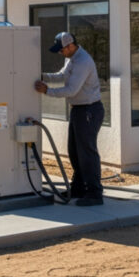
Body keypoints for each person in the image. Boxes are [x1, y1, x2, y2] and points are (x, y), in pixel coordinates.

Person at [34, 31, 104, 206]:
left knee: (87, 152)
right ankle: (79, 188)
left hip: (89, 110)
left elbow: (71, 90)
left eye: (61, 50)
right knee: (74, 151)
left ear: (70, 46)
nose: (60, 53)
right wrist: (42, 76)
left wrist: (47, 91)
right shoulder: (72, 58)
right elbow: (62, 75)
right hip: (79, 110)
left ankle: (95, 193)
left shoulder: (83, 62)